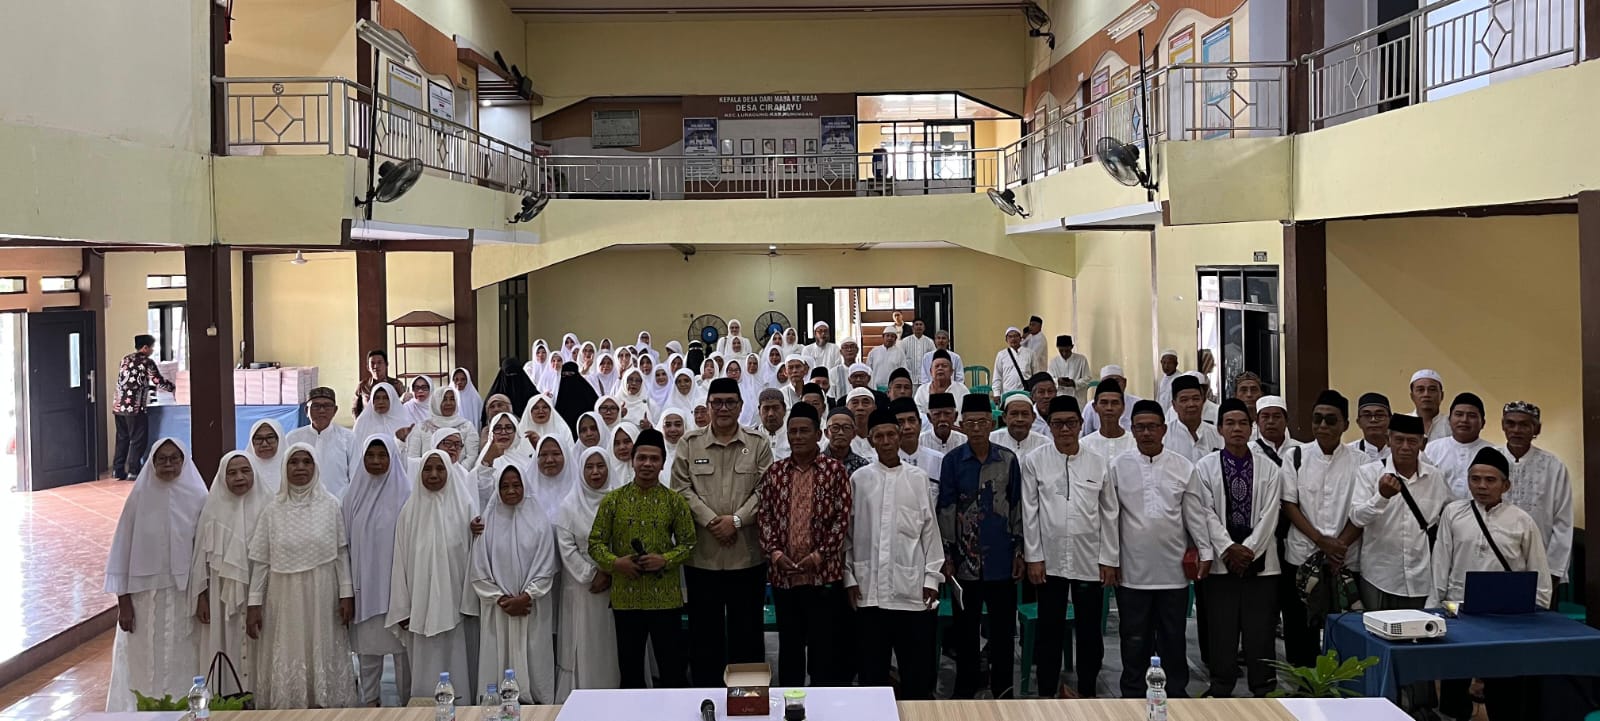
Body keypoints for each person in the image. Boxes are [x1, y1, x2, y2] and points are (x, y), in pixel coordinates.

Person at [1432, 448, 1552, 721]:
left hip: (1505, 616)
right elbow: (1440, 561)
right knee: (1455, 683)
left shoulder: (1522, 521)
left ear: (1505, 485)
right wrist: (1434, 606)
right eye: (1475, 479)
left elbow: (1538, 569)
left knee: (1504, 685)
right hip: (1459, 610)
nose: (1482, 486)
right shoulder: (1453, 513)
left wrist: (1538, 611)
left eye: (1490, 480)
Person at [670, 377, 774, 686]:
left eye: (730, 402)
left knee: (748, 634)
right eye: (717, 402)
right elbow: (681, 488)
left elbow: (766, 489)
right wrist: (713, 521)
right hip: (703, 558)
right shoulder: (690, 444)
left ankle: (749, 698)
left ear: (741, 406)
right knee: (705, 636)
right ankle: (706, 698)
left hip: (747, 557)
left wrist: (737, 521)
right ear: (708, 407)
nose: (724, 408)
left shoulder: (758, 443)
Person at [1100, 400, 1204, 699]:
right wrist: (1110, 560)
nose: (1146, 433)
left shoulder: (1183, 467)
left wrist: (1204, 552)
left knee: (1173, 636)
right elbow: (1110, 518)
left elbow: (1194, 516)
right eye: (1140, 427)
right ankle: (1133, 693)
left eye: (1152, 427)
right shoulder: (1117, 467)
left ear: (1164, 429)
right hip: (1132, 571)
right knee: (1134, 637)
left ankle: (1176, 691)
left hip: (1173, 571)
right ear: (1132, 430)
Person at [246, 444, 358, 709]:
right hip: (284, 595)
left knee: (322, 645)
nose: (300, 468)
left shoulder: (330, 505)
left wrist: (346, 594)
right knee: (289, 647)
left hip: (322, 592)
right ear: (284, 468)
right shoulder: (272, 509)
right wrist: (253, 604)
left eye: (307, 462)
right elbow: (261, 561)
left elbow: (341, 553)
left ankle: (325, 704)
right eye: (293, 462)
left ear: (316, 467)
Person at [845, 407, 944, 701]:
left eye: (891, 434)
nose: (886, 441)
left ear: (899, 437)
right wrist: (849, 577)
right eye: (879, 436)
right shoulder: (859, 480)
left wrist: (931, 578)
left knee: (916, 676)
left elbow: (930, 531)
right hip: (869, 591)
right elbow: (848, 535)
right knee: (871, 674)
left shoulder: (918, 478)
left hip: (911, 592)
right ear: (871, 440)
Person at [1189, 399, 1282, 698]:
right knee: (1221, 629)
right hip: (1221, 561)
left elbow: (1271, 514)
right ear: (1219, 429)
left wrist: (1248, 550)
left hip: (1261, 562)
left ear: (1251, 428)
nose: (1237, 429)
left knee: (1260, 630)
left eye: (1243, 423)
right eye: (1230, 423)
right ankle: (1221, 685)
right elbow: (1205, 511)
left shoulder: (1269, 468)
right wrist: (1229, 547)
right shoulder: (1205, 467)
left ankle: (1264, 687)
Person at [589, 429, 696, 689]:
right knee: (630, 670)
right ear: (632, 461)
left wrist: (665, 559)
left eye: (654, 459)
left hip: (665, 598)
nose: (647, 464)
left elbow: (689, 543)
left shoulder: (674, 501)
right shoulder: (613, 500)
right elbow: (595, 543)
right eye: (642, 458)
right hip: (626, 598)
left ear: (663, 464)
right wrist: (616, 563)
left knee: (672, 669)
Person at [105, 438, 206, 711]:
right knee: (144, 658)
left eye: (174, 458)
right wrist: (123, 602)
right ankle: (142, 710)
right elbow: (122, 549)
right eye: (162, 459)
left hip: (184, 595)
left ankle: (184, 710)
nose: (168, 464)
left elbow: (204, 551)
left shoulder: (199, 497)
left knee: (182, 655)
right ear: (152, 462)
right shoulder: (139, 498)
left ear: (184, 461)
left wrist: (203, 595)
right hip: (143, 599)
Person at [756, 402, 852, 687]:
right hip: (784, 576)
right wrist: (775, 553)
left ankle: (822, 703)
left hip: (823, 576)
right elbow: (764, 516)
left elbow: (842, 520)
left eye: (804, 431)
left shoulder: (835, 471)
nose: (797, 437)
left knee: (824, 646)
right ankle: (791, 701)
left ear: (819, 434)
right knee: (790, 645)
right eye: (793, 431)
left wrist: (819, 556)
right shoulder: (775, 472)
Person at [1020, 396, 1110, 699]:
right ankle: (1047, 692)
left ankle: (1087, 691)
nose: (1065, 429)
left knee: (1089, 631)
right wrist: (1034, 557)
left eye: (1071, 423)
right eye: (1058, 423)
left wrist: (1109, 558)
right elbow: (1029, 512)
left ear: (1081, 424)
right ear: (1049, 426)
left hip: (1089, 559)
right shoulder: (1035, 461)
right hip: (1050, 560)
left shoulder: (1098, 462)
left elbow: (1109, 513)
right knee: (1050, 629)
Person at [938, 394, 1023, 699]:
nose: (976, 428)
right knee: (965, 631)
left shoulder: (1008, 460)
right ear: (961, 425)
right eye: (970, 422)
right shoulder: (952, 461)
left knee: (1003, 632)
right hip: (964, 563)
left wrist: (1019, 551)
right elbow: (946, 508)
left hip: (1001, 559)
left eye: (982, 422)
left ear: (992, 423)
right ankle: (965, 690)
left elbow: (1016, 507)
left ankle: (1003, 690)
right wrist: (947, 555)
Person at [1279, 390, 1365, 667]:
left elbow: (1363, 511)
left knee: (1344, 629)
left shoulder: (1362, 462)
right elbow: (1289, 504)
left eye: (1331, 420)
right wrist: (1321, 541)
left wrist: (1338, 547)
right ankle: (1303, 685)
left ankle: (1341, 685)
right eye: (1317, 419)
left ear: (1345, 424)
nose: (1323, 426)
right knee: (1299, 628)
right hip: (1302, 557)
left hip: (1345, 560)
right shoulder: (1295, 456)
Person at [471, 459, 560, 705]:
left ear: (525, 486)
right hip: (498, 610)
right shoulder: (486, 524)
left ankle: (538, 707)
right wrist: (501, 599)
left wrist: (527, 596)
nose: (511, 491)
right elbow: (478, 569)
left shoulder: (539, 522)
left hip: (532, 607)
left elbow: (546, 566)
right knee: (498, 663)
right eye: (505, 486)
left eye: (516, 485)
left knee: (534, 660)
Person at [387, 450, 475, 698]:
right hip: (420, 605)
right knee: (425, 667)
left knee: (458, 661)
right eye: (427, 469)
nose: (433, 474)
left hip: (456, 605)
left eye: (440, 469)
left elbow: (475, 557)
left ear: (449, 471)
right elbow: (399, 562)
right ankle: (424, 710)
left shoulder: (465, 508)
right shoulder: (409, 513)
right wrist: (402, 607)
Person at [1348, 414, 1448, 614]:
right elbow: (1357, 517)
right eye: (1399, 440)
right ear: (1388, 440)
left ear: (1422, 444)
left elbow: (1446, 517)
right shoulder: (1369, 473)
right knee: (1376, 629)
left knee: (1418, 631)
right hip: (1380, 575)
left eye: (1412, 441)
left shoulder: (1435, 477)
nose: (1405, 447)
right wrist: (1381, 497)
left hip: (1421, 576)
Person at [189, 451, 268, 699]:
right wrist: (201, 597)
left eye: (245, 471)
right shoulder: (212, 510)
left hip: (261, 592)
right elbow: (200, 559)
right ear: (222, 477)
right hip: (220, 595)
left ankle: (260, 695)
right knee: (226, 641)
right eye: (232, 473)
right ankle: (229, 696)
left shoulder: (268, 506)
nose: (239, 477)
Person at [342, 435, 412, 706]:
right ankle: (370, 703)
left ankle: (408, 704)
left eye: (382, 455)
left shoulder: (406, 496)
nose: (376, 461)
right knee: (368, 652)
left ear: (392, 458)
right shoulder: (351, 498)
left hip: (398, 591)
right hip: (366, 590)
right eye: (370, 456)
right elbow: (344, 547)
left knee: (404, 654)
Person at [553, 449, 620, 699]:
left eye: (600, 466)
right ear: (580, 471)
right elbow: (567, 548)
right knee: (584, 639)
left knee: (612, 641)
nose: (595, 472)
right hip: (582, 586)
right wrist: (592, 575)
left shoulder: (619, 500)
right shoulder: (569, 505)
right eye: (589, 467)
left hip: (618, 582)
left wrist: (611, 571)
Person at [1499, 401, 1574, 595]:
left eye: (1524, 424)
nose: (1516, 430)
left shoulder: (1553, 466)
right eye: (1511, 423)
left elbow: (1563, 522)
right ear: (1503, 425)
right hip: (1493, 561)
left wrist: (1553, 570)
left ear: (1536, 429)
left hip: (1540, 564)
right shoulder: (1491, 460)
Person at [112, 334, 176, 481]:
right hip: (135, 407)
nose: (152, 350)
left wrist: (148, 388)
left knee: (122, 439)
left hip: (118, 406)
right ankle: (133, 471)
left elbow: (131, 381)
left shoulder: (125, 359)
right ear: (145, 347)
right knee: (137, 440)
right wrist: (173, 388)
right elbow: (158, 380)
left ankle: (118, 470)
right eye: (152, 347)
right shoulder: (147, 362)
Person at [285, 388, 353, 498]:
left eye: (327, 406)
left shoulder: (349, 438)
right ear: (306, 410)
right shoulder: (293, 438)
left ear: (335, 410)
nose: (321, 410)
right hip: (301, 501)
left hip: (340, 502)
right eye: (316, 406)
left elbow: (355, 475)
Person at [1423, 392, 1493, 499]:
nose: (1464, 420)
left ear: (1483, 423)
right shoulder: (1431, 449)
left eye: (1472, 416)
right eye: (1459, 414)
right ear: (1449, 420)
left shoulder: (1493, 452)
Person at [405, 386, 481, 464]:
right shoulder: (421, 428)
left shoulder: (467, 426)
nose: (449, 403)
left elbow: (472, 456)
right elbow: (413, 457)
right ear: (436, 402)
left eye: (452, 399)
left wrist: (456, 470)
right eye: (444, 399)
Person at [891, 398, 945, 506]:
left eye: (911, 420)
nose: (907, 427)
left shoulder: (939, 460)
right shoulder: (883, 462)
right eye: (900, 422)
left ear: (920, 424)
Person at [1165, 374, 1222, 462]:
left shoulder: (1217, 434)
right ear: (1174, 405)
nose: (1191, 404)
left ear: (1203, 401)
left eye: (1196, 399)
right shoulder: (1164, 436)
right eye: (1184, 400)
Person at [1080, 379, 1134, 462]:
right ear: (1094, 407)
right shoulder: (1084, 445)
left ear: (1123, 408)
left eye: (1115, 403)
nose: (1109, 408)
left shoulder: (1134, 443)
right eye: (1104, 403)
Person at [1082, 366, 1144, 437]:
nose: (1112, 384)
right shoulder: (1090, 407)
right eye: (1107, 381)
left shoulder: (1139, 404)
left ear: (1124, 382)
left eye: (1117, 381)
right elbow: (1084, 434)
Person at [992, 392, 1049, 457]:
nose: (1020, 419)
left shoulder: (1045, 443)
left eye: (1025, 414)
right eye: (1014, 414)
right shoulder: (991, 440)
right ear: (1004, 417)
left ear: (1033, 417)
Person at [914, 350, 969, 416]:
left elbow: (968, 414)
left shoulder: (962, 390)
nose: (940, 368)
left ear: (951, 371)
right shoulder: (922, 391)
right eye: (937, 366)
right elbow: (918, 415)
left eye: (944, 366)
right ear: (931, 371)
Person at [486, 356, 541, 421]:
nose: (512, 379)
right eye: (508, 375)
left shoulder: (532, 395)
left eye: (515, 374)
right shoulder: (494, 398)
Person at [554, 362, 601, 434]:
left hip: (586, 431)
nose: (567, 377)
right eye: (564, 375)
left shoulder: (587, 391)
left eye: (570, 374)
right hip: (565, 432)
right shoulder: (558, 393)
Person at [353, 349, 403, 417]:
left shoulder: (396, 384)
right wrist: (359, 422)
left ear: (386, 364)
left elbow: (403, 406)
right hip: (369, 422)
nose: (376, 366)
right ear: (368, 367)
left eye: (379, 362)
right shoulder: (362, 386)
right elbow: (355, 409)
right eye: (372, 363)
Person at [824, 407, 873, 474]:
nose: (840, 432)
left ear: (854, 434)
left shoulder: (863, 466)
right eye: (835, 427)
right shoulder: (815, 463)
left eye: (846, 428)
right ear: (826, 433)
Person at [1408, 369, 1452, 443]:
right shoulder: (1402, 422)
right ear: (1412, 396)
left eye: (1432, 389)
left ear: (1442, 395)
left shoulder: (1451, 425)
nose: (1426, 394)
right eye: (1420, 390)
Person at [991, 326, 1034, 401]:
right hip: (1008, 394)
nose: (1013, 339)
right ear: (1006, 340)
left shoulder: (1030, 353)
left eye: (1015, 336)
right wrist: (996, 394)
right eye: (1010, 337)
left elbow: (1035, 374)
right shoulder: (1001, 355)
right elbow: (997, 376)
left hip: (1026, 394)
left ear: (1020, 338)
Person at [243, 419, 285, 495]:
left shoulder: (292, 467)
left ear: (279, 439)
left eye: (270, 438)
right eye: (258, 439)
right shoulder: (243, 469)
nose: (264, 444)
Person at [1348, 392, 1393, 462]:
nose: (1373, 420)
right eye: (1367, 415)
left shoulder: (1401, 451)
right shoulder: (1348, 453)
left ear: (1391, 420)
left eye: (1379, 415)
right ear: (1358, 422)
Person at [1048, 335, 1092, 406]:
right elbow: (1049, 379)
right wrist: (1058, 381)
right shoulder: (1053, 362)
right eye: (1061, 351)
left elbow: (1087, 379)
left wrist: (1074, 383)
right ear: (1057, 348)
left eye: (1067, 351)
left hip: (1077, 399)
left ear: (1072, 347)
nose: (1064, 353)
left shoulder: (1081, 359)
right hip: (1060, 397)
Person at [753, 388, 791, 461]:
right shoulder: (751, 438)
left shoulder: (794, 436)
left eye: (775, 408)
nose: (771, 414)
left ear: (784, 409)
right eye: (766, 409)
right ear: (759, 411)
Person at [1026, 372, 1057, 437]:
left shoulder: (1064, 415)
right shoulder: (1027, 419)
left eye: (1050, 391)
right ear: (1033, 396)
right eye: (1041, 392)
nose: (1046, 396)